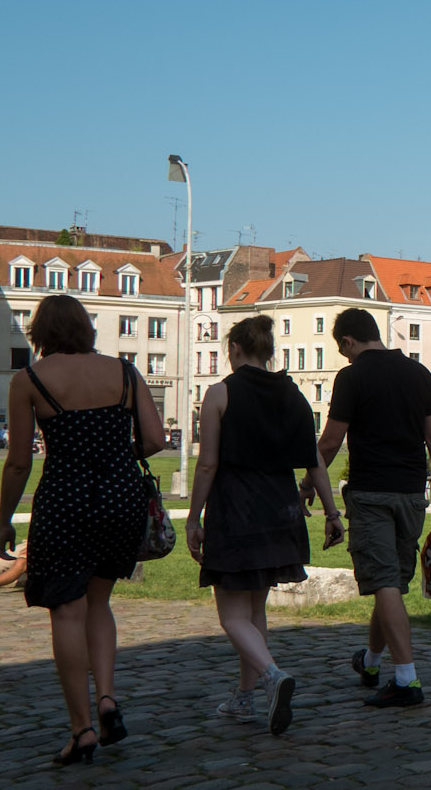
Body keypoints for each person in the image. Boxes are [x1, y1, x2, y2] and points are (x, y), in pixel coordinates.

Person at [0, 295, 166, 765]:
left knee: (66, 612)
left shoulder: (29, 380)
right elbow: (155, 440)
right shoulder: (126, 373)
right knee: (100, 601)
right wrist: (113, 457)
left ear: (40, 335)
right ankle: (108, 699)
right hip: (120, 497)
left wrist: (5, 520)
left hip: (65, 499)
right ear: (87, 329)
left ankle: (82, 728)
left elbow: (19, 462)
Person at [187, 315, 337, 735]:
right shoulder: (295, 394)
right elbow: (315, 461)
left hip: (236, 511)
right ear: (269, 351)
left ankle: (272, 677)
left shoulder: (220, 394)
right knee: (254, 611)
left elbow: (208, 463)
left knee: (231, 615)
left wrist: (193, 517)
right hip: (281, 510)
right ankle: (245, 697)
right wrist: (332, 511)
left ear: (234, 349)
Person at [311, 308, 431, 708]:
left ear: (348, 342)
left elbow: (329, 442)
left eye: (343, 350)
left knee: (385, 583)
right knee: (388, 583)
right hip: (411, 493)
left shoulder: (352, 376)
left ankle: (407, 680)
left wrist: (309, 481)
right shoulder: (419, 373)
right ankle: (371, 663)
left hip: (371, 492)